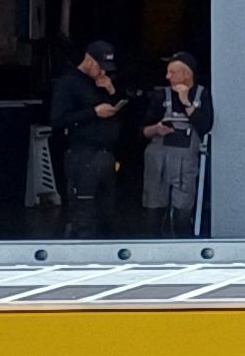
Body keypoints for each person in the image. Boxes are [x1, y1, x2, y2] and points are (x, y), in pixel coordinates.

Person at [50, 40, 127, 233]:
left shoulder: (104, 82)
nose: (103, 72)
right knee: (83, 211)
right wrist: (93, 112)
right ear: (89, 60)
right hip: (82, 153)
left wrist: (112, 91)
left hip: (107, 153)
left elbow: (124, 112)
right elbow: (58, 119)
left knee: (107, 211)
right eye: (100, 66)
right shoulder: (68, 83)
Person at [139, 52, 214, 235]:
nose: (167, 76)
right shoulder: (161, 96)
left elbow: (205, 126)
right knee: (153, 213)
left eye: (172, 72)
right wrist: (156, 129)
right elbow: (142, 131)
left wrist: (186, 102)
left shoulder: (202, 95)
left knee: (182, 214)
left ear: (187, 74)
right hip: (158, 166)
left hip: (185, 168)